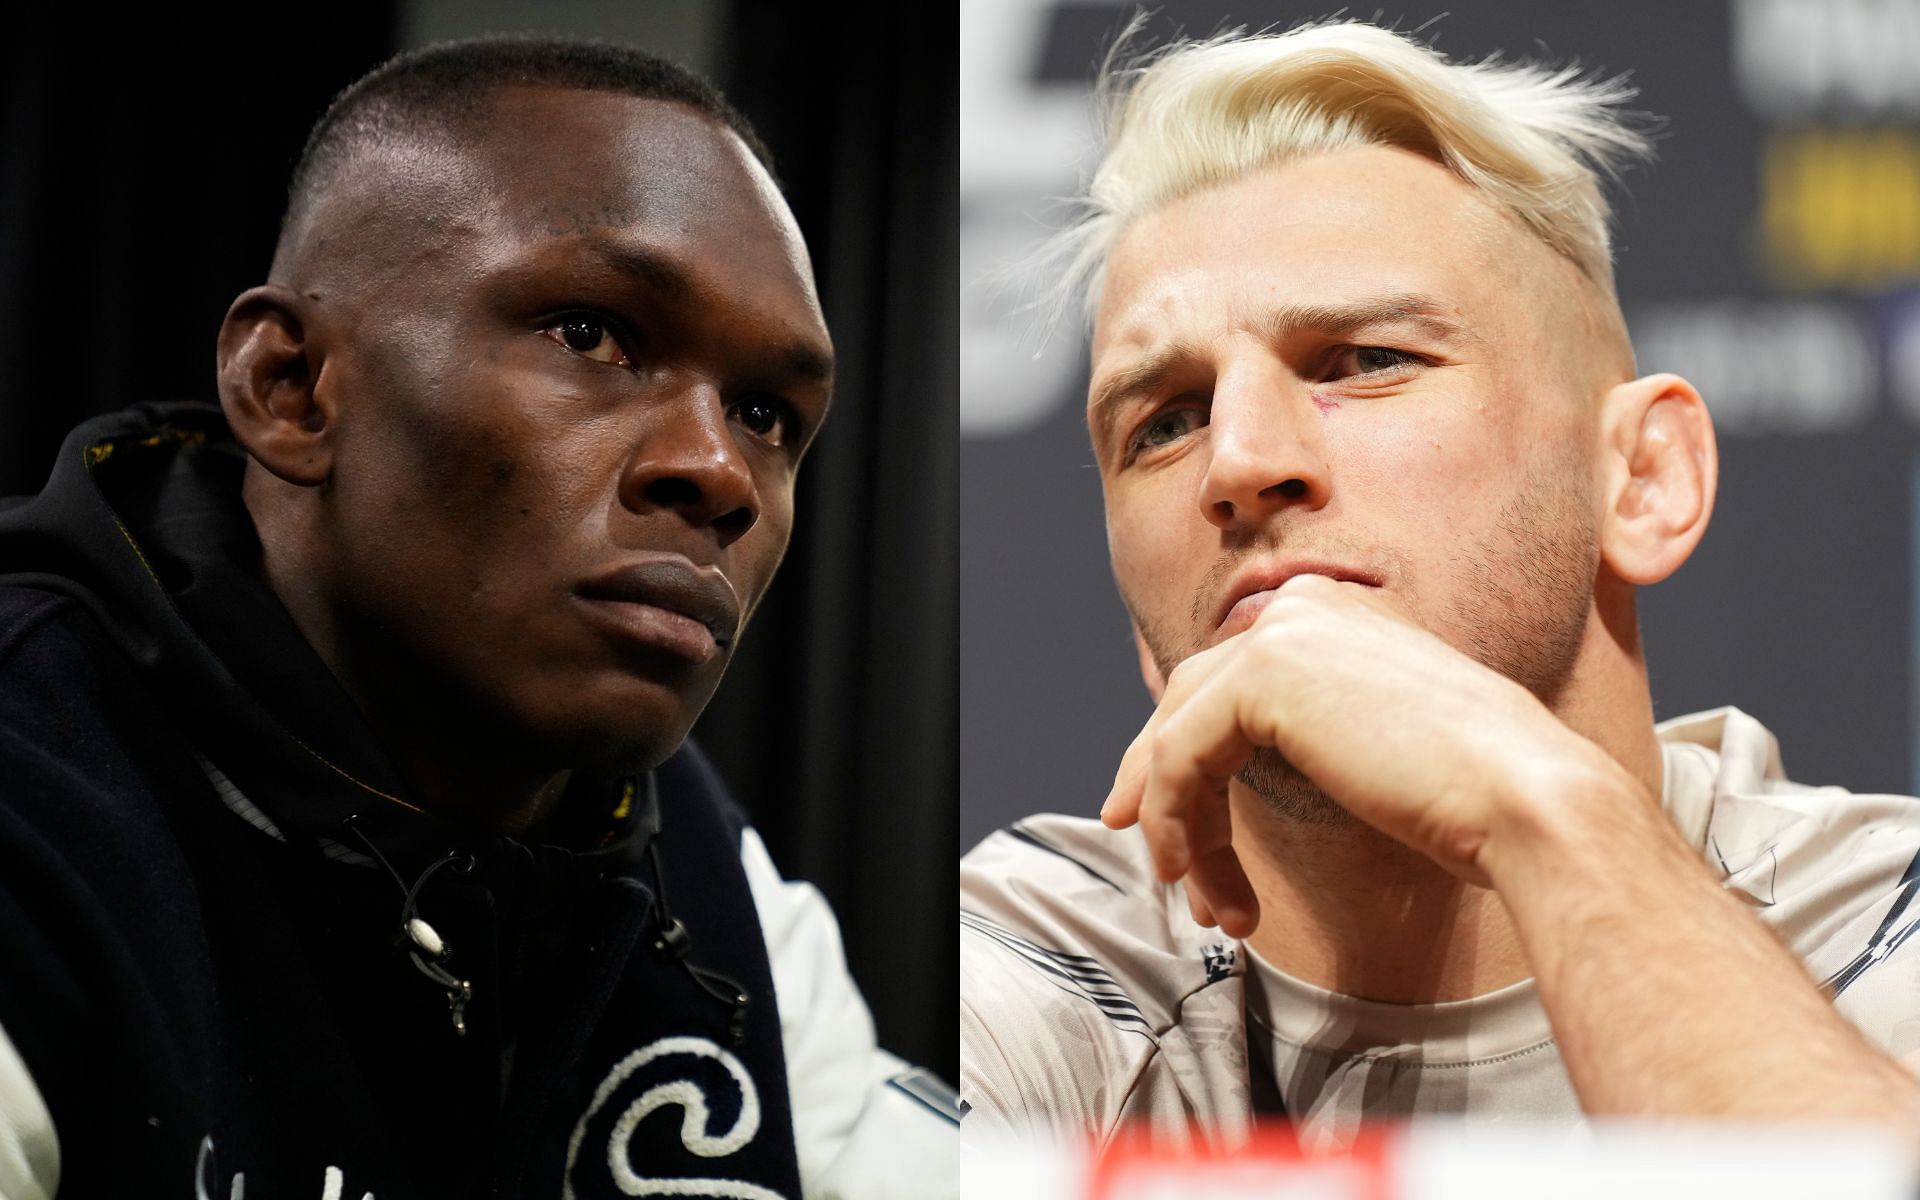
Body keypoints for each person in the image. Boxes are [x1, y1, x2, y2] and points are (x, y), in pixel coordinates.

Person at [0, 37, 955, 1199]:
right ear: (290, 389)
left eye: (765, 412)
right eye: (591, 334)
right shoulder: (40, 805)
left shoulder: (705, 876)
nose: (719, 471)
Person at [960, 20, 1920, 1151]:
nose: (1236, 464)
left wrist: (1536, 810)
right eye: (1166, 422)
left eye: (1367, 362)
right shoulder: (1035, 962)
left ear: (1643, 480)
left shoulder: (1877, 924)